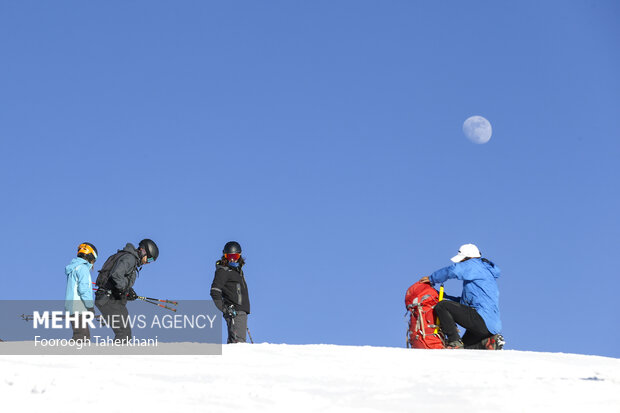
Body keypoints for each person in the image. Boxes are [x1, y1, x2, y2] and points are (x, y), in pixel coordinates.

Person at [419, 243, 503, 350]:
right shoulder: (484, 272)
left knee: (442, 306)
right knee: (465, 350)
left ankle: (454, 341)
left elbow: (452, 270)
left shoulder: (474, 265)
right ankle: (488, 342)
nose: (461, 263)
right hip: (491, 326)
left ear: (468, 258)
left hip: (481, 319)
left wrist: (432, 278)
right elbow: (463, 305)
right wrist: (442, 296)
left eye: (462, 260)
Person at [95, 239, 159, 343]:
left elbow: (118, 282)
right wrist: (126, 289)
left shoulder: (129, 258)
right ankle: (116, 356)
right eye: (150, 259)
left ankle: (117, 355)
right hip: (108, 299)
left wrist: (127, 293)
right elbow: (116, 275)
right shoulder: (130, 258)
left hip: (108, 298)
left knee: (124, 332)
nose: (148, 263)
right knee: (124, 333)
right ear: (143, 251)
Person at [210, 241, 250, 343]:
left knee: (237, 343)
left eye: (235, 256)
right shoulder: (223, 271)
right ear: (225, 256)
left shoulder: (237, 272)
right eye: (229, 256)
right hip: (234, 313)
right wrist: (225, 309)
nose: (232, 259)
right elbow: (215, 291)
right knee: (238, 344)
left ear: (239, 256)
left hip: (241, 312)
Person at [65, 242, 98, 341]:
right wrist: (90, 306)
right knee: (82, 337)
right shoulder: (83, 268)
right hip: (78, 307)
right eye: (93, 261)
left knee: (80, 335)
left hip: (71, 306)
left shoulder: (74, 267)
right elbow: (83, 289)